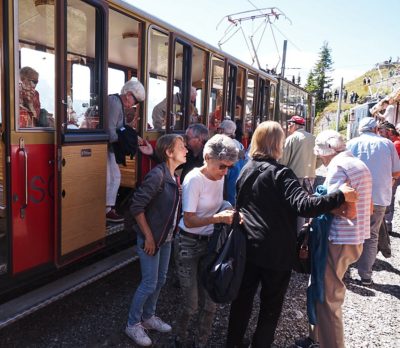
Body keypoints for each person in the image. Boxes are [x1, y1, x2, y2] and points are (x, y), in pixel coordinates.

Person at [225, 121, 358, 348]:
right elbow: (305, 206)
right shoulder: (281, 174)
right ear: (278, 144)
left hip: (247, 247)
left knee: (241, 301)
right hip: (275, 252)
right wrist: (340, 196)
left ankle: (233, 343)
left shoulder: (245, 168)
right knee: (270, 307)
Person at [294, 130, 372, 348]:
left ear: (327, 152)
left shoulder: (338, 166)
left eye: (321, 155)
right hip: (354, 237)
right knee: (323, 288)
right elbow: (368, 204)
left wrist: (316, 200)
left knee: (329, 298)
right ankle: (315, 337)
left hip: (338, 238)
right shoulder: (358, 163)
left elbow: (336, 204)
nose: (321, 159)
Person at [174, 134, 238, 347]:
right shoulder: (194, 179)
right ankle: (180, 338)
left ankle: (201, 342)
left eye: (229, 167)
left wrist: (228, 210)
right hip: (188, 243)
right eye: (223, 166)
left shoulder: (219, 176)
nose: (226, 171)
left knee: (211, 302)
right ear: (208, 157)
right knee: (191, 304)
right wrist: (218, 218)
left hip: (209, 242)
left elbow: (216, 205)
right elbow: (189, 220)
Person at [125, 134, 188, 347]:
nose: (186, 150)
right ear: (169, 153)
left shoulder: (173, 174)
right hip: (152, 238)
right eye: (182, 147)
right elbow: (136, 207)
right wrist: (149, 238)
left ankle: (148, 317)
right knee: (149, 282)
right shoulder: (158, 176)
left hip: (166, 237)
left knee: (160, 280)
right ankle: (133, 324)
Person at [347, 117, 400, 285]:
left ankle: (343, 271)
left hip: (354, 196)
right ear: (376, 129)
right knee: (371, 236)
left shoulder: (351, 143)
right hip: (379, 197)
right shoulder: (387, 144)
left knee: (350, 232)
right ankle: (366, 276)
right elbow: (397, 172)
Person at [106, 80, 153, 223]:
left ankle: (109, 209)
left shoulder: (116, 103)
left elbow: (120, 128)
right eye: (135, 100)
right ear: (128, 94)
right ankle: (107, 210)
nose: (134, 104)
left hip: (110, 148)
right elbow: (111, 130)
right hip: (107, 147)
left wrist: (132, 136)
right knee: (112, 178)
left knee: (114, 177)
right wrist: (126, 141)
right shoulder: (114, 103)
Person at [280, 115, 317, 229]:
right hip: (310, 177)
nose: (288, 126)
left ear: (296, 125)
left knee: (291, 204)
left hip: (294, 176)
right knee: (305, 204)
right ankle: (302, 231)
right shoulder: (313, 138)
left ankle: (293, 231)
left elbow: (283, 160)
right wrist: (312, 167)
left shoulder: (291, 138)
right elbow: (320, 159)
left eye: (290, 124)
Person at [377, 121, 400, 234]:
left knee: (390, 197)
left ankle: (387, 224)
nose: (379, 135)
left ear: (389, 132)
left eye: (382, 132)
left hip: (395, 175)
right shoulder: (395, 142)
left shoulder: (395, 144)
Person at [217, 119, 246, 206]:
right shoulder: (240, 145)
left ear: (221, 130)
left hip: (225, 185)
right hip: (236, 186)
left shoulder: (220, 143)